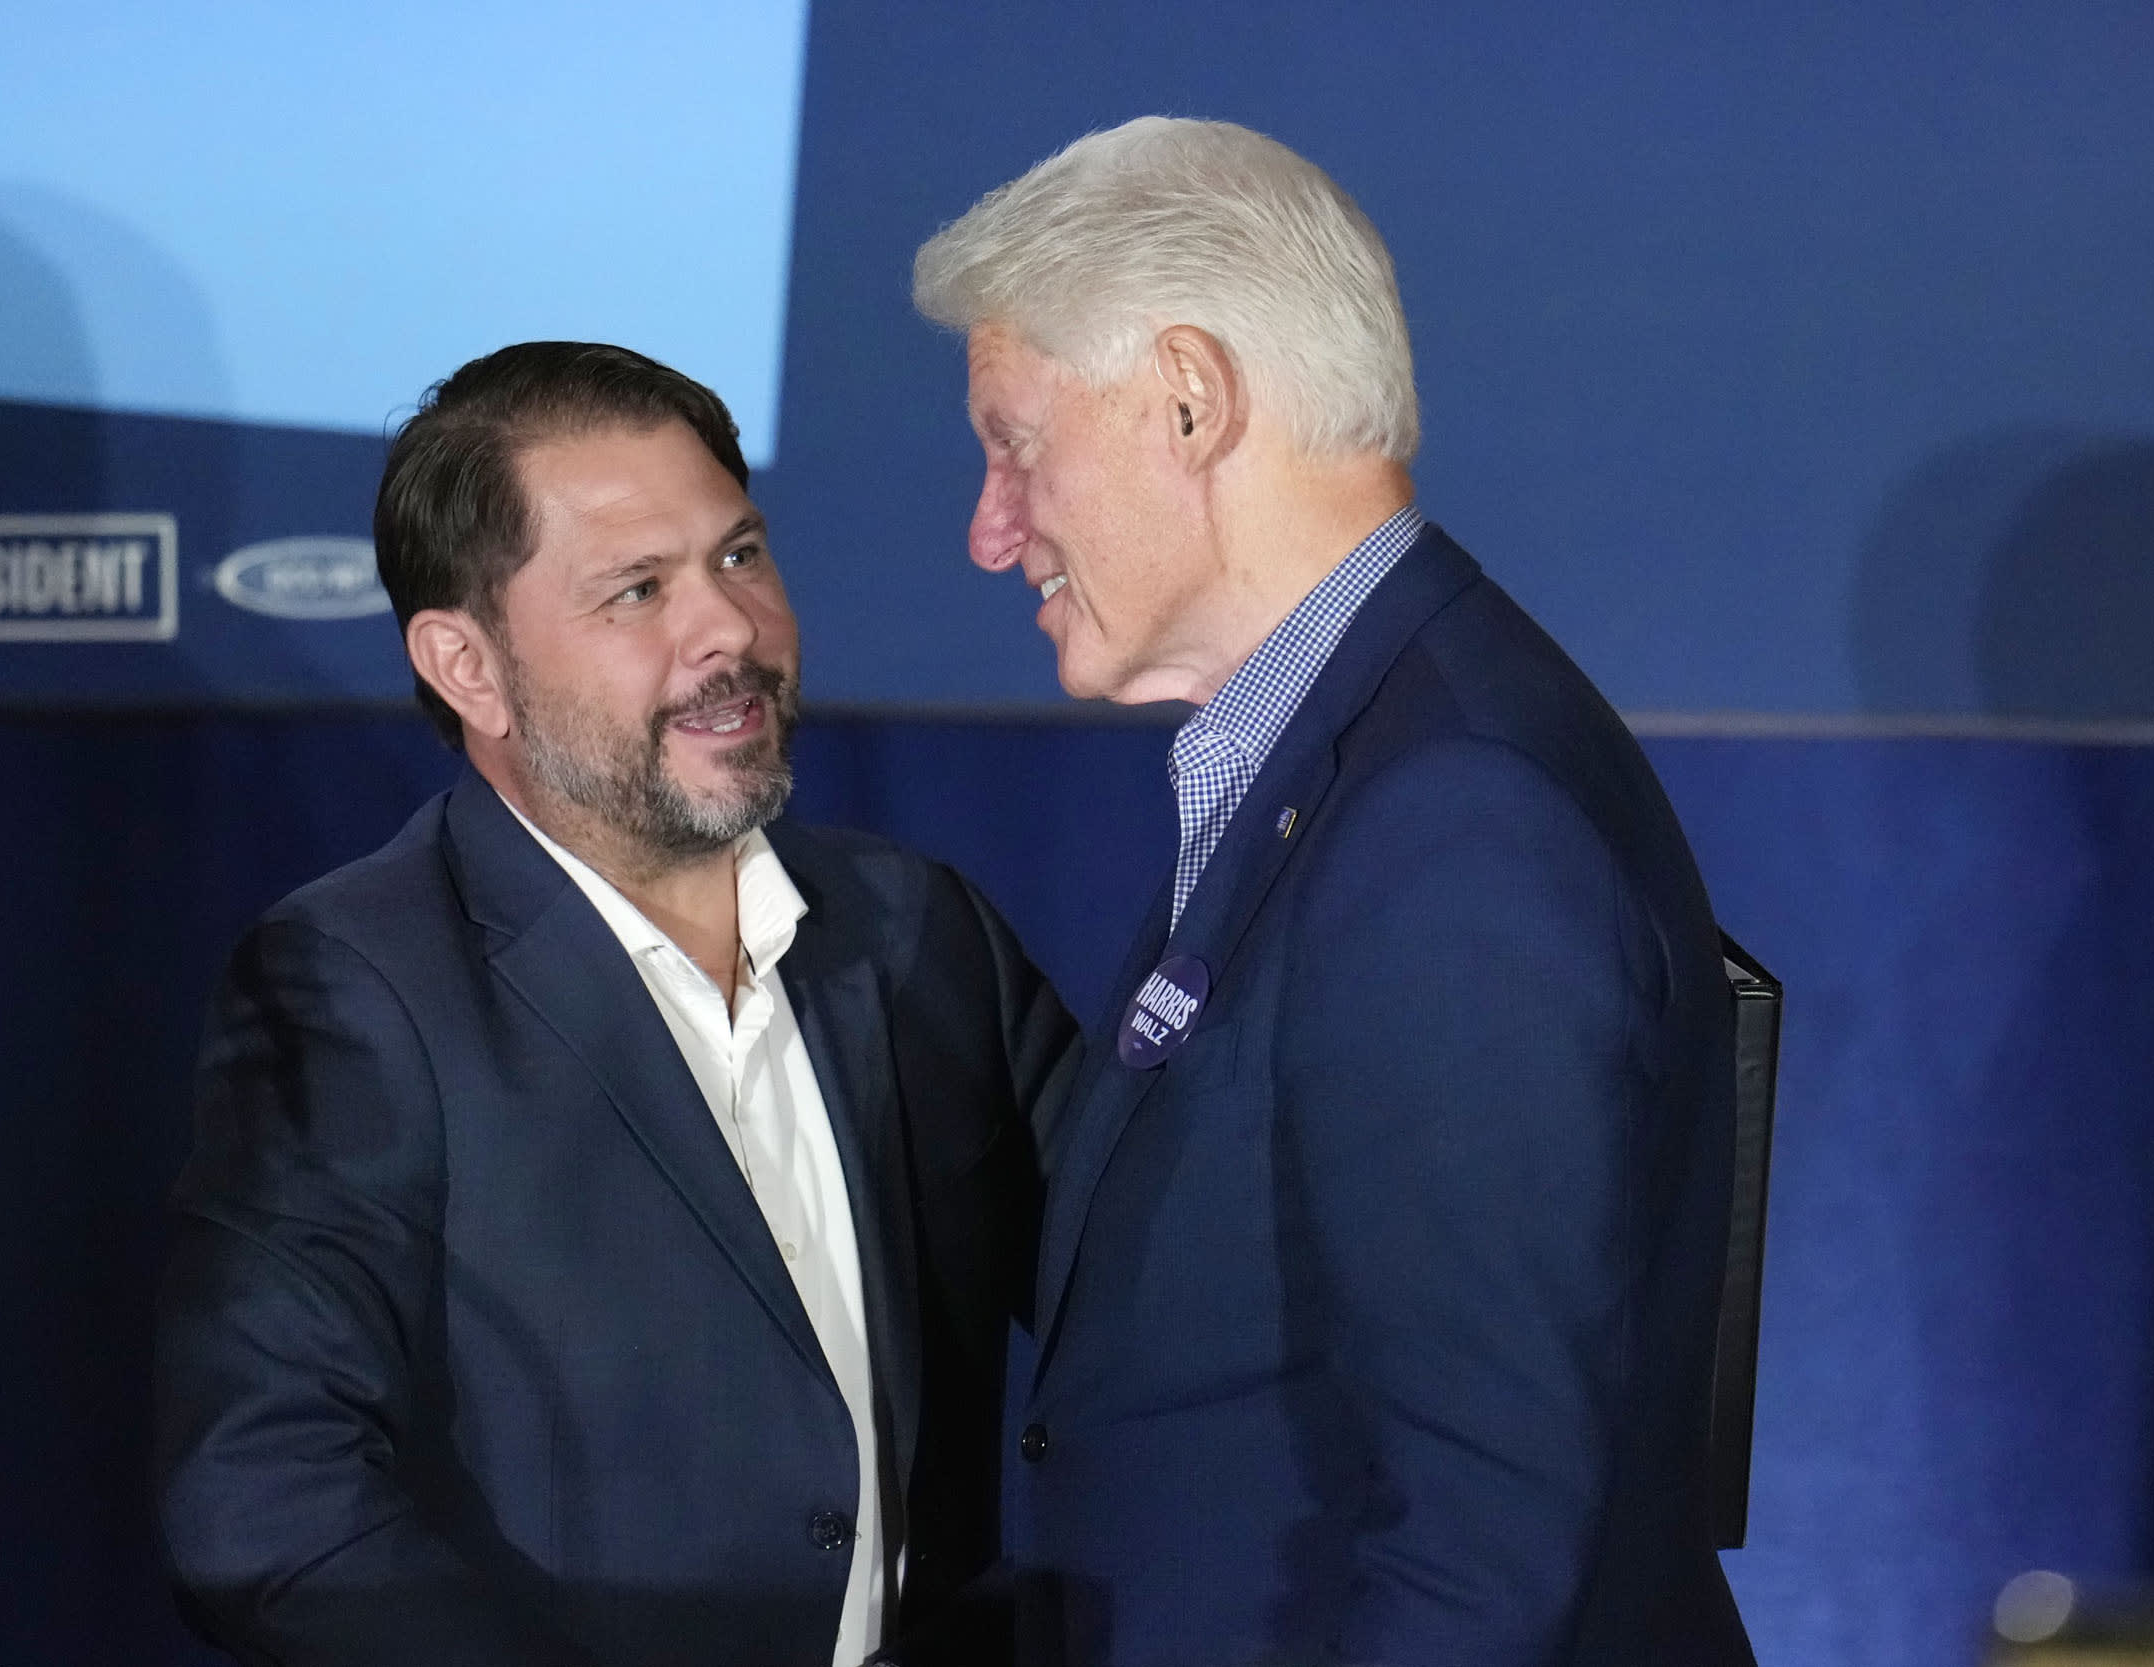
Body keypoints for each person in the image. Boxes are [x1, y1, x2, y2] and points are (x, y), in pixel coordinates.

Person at [912, 118, 1757, 1666]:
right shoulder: (1352, 756)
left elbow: (1484, 1542)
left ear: (1191, 398)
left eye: (1015, 443)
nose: (989, 529)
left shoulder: (1455, 819)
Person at [155, 342, 1073, 1667]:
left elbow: (1158, 1298)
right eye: (638, 590)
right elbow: (261, 1500)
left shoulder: (916, 930)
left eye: (740, 556)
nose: (729, 630)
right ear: (468, 667)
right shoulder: (359, 987)